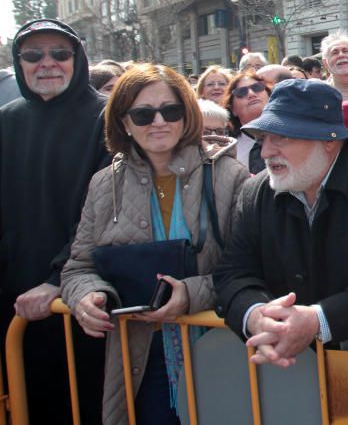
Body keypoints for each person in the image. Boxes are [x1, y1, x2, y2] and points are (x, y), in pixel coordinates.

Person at [61, 64, 248, 425]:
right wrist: (87, 296)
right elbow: (78, 268)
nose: (158, 122)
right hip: (141, 360)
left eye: (171, 110)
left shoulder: (228, 175)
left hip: (219, 346)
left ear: (186, 115)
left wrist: (192, 294)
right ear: (124, 123)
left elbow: (249, 268)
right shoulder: (104, 185)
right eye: (143, 114)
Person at [213, 79, 348, 368]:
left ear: (329, 141)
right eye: (262, 139)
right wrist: (256, 315)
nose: (266, 152)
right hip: (290, 372)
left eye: (280, 138)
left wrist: (319, 319)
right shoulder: (257, 193)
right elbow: (233, 272)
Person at [0, 18, 109, 424]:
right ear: (20, 62)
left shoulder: (106, 118)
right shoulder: (6, 120)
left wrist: (58, 279)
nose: (47, 63)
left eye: (59, 53)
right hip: (15, 305)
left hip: (79, 301)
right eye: (33, 55)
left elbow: (107, 212)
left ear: (77, 59)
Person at [222, 72, 271, 174]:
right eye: (241, 92)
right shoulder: (226, 148)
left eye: (257, 87)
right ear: (233, 109)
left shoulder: (290, 134)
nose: (251, 94)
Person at [321, 31, 348, 98]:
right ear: (325, 63)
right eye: (335, 53)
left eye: (345, 51)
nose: (341, 55)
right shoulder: (318, 94)